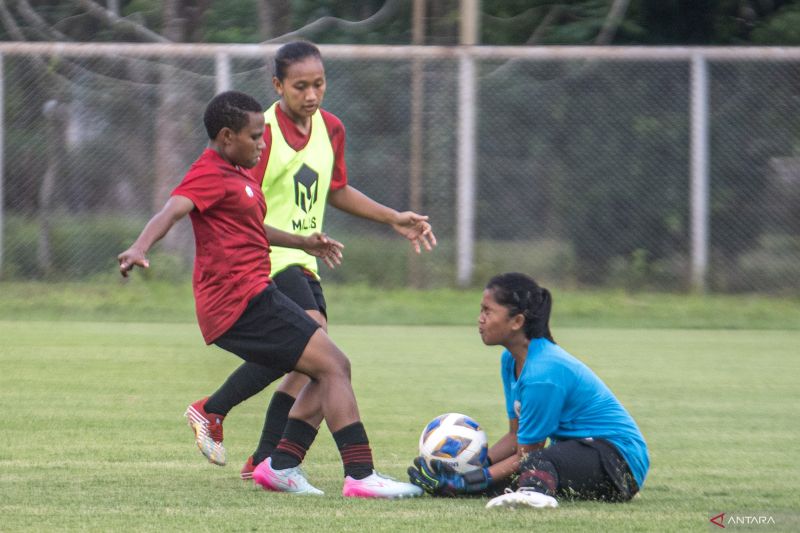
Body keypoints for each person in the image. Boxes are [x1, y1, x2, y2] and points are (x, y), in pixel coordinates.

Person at [118, 90, 422, 499]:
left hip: (256, 295)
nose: (263, 144)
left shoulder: (239, 174)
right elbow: (172, 209)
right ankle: (360, 475)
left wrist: (302, 242)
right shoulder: (208, 172)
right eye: (256, 137)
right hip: (240, 304)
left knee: (324, 369)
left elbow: (252, 228)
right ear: (227, 137)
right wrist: (140, 247)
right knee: (335, 366)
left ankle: (280, 466)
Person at [182, 40, 437, 484]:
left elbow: (336, 189)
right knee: (317, 342)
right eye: (301, 86)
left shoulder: (331, 128)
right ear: (278, 85)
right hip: (267, 256)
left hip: (305, 256)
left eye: (319, 84)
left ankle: (263, 456)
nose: (312, 95)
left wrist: (392, 217)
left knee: (309, 361)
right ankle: (261, 441)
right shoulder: (257, 133)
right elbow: (238, 206)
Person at [407, 272, 649, 509]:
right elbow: (515, 437)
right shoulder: (510, 360)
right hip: (574, 456)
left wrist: (469, 480)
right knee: (485, 485)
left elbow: (527, 455)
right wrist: (471, 469)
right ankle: (530, 488)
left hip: (618, 463)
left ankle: (534, 495)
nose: (480, 318)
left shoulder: (543, 373)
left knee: (532, 462)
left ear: (517, 321)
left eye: (487, 311)